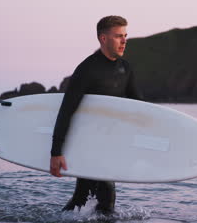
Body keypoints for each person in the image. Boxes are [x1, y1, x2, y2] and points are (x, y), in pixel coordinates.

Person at [49, 15, 142, 214]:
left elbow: (139, 108)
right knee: (101, 201)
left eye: (125, 35)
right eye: (118, 36)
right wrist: (56, 152)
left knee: (88, 200)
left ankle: (63, 218)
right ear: (103, 38)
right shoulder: (87, 69)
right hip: (88, 143)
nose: (124, 41)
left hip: (110, 144)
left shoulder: (125, 68)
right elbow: (66, 111)